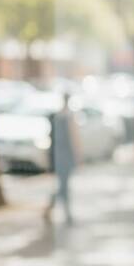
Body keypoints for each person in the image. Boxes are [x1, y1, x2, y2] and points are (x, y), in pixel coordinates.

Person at [43, 92, 80, 225]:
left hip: (58, 155)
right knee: (64, 185)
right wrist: (77, 155)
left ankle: (55, 208)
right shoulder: (69, 116)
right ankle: (62, 211)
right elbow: (73, 137)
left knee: (63, 184)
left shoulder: (57, 116)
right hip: (66, 155)